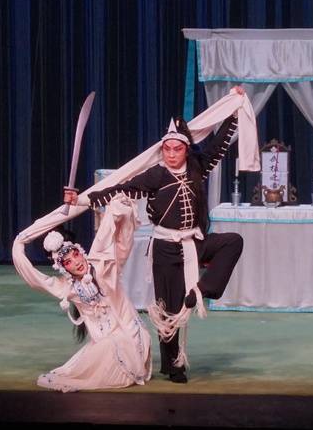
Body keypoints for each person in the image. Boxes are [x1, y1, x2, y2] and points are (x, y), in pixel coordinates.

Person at [65, 86, 246, 383]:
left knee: (233, 242)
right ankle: (174, 366)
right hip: (165, 249)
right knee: (167, 307)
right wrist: (81, 199)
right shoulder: (156, 175)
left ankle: (203, 290)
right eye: (167, 149)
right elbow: (119, 188)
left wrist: (234, 108)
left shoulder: (197, 168)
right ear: (162, 150)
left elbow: (218, 147)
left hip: (194, 242)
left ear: (186, 149)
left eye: (177, 149)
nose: (172, 154)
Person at [12, 195, 151, 392]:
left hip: (130, 334)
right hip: (104, 342)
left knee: (116, 347)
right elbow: (36, 279)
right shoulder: (67, 287)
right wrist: (18, 249)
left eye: (75, 255)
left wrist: (116, 208)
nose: (76, 263)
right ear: (63, 268)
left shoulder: (103, 267)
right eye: (68, 262)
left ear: (81, 252)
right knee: (106, 349)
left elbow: (117, 241)